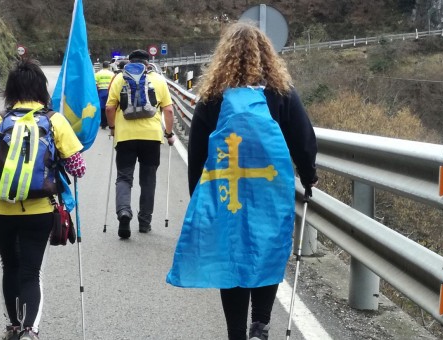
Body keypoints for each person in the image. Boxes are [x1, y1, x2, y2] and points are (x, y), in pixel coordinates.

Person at [166, 23, 318, 340]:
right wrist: (308, 175)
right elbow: (303, 139)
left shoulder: (211, 98)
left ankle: (236, 332)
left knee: (230, 256)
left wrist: (200, 197)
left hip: (226, 193)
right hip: (270, 192)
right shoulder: (280, 94)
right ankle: (260, 325)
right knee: (268, 250)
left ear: (224, 57)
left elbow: (197, 152)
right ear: (266, 56)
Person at [0, 59, 86, 340]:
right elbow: (77, 168)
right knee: (31, 271)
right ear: (41, 89)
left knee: (9, 265)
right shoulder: (54, 120)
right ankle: (30, 330)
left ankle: (12, 326)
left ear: (10, 90)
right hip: (39, 208)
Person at [105, 49, 176, 239]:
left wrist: (112, 127)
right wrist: (169, 134)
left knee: (124, 177)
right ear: (148, 63)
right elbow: (168, 111)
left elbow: (110, 107)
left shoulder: (119, 79)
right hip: (151, 138)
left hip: (125, 136)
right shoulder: (159, 80)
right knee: (148, 180)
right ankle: (144, 222)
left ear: (130, 62)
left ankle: (124, 212)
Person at [95, 61, 115, 129]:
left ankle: (103, 124)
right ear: (108, 66)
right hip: (109, 92)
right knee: (109, 107)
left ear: (102, 66)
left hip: (101, 92)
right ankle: (109, 123)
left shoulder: (98, 74)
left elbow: (96, 84)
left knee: (102, 108)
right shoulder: (112, 74)